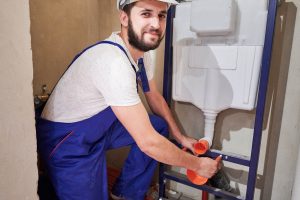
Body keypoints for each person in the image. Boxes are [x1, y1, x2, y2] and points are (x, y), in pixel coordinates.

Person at [36, 0, 221, 199]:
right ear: (124, 18)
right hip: (68, 142)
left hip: (98, 130)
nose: (156, 24)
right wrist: (198, 165)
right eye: (146, 14)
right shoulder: (113, 62)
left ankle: (125, 194)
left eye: (161, 15)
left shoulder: (140, 55)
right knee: (151, 138)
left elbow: (155, 97)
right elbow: (149, 143)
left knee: (158, 126)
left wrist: (180, 137)